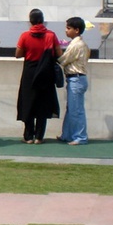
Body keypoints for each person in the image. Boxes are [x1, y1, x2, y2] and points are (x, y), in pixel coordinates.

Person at [15, 9, 62, 144]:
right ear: (42, 19)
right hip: (46, 72)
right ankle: (39, 137)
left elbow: (18, 54)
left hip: (30, 71)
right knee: (43, 103)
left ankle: (28, 136)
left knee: (28, 102)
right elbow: (58, 53)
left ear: (30, 20)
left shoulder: (25, 35)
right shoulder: (51, 35)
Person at [55, 16, 90, 146]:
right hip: (76, 79)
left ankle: (80, 137)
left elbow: (63, 60)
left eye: (68, 28)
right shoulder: (80, 44)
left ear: (76, 30)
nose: (66, 31)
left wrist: (55, 51)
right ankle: (67, 135)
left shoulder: (76, 45)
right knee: (72, 109)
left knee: (76, 110)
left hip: (76, 78)